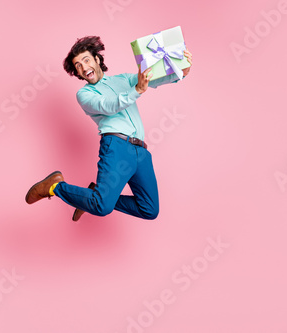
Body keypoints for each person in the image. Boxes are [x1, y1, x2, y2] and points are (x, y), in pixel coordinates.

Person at [25, 35, 192, 221]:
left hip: (141, 151)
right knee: (101, 206)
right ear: (77, 73)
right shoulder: (85, 94)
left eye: (86, 60)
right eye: (78, 65)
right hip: (116, 147)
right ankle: (55, 187)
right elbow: (109, 105)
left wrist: (181, 70)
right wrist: (137, 89)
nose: (83, 66)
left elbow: (152, 80)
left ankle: (91, 196)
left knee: (149, 209)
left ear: (97, 60)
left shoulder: (123, 79)